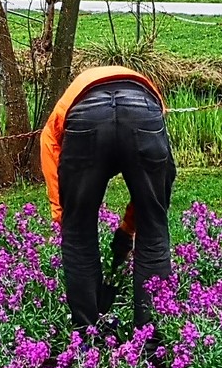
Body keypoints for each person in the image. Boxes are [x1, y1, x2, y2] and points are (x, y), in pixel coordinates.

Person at [40, 65, 176, 329]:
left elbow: (49, 144)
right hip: (143, 110)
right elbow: (160, 184)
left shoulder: (69, 100)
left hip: (85, 116)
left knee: (78, 235)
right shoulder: (151, 100)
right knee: (154, 230)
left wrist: (64, 215)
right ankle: (151, 339)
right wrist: (132, 226)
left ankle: (85, 335)